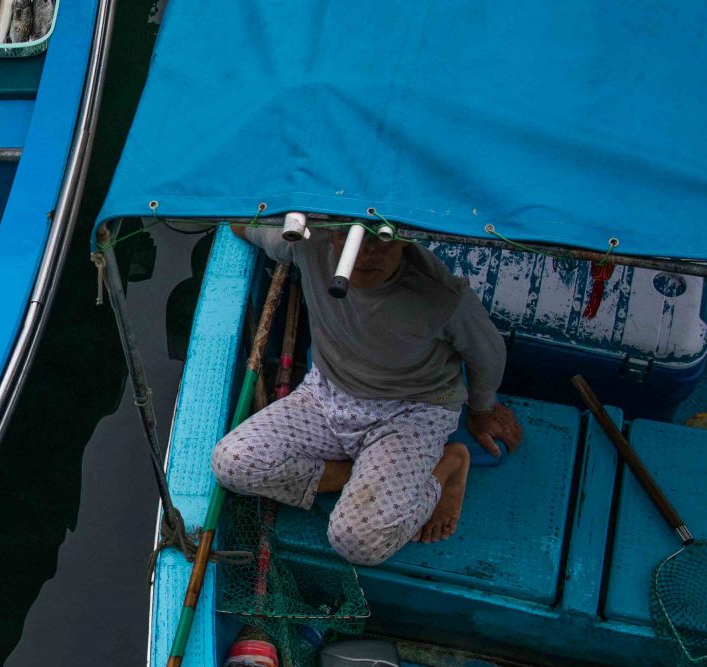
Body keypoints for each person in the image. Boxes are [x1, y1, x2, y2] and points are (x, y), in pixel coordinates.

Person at [212, 224, 524, 566]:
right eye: (349, 235)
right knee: (232, 463)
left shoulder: (442, 296)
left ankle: (449, 463)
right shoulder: (308, 246)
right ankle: (365, 474)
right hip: (327, 394)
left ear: (406, 240)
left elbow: (488, 352)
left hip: (411, 413)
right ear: (331, 234)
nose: (365, 251)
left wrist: (482, 411)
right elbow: (249, 225)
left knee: (359, 542)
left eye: (384, 238)